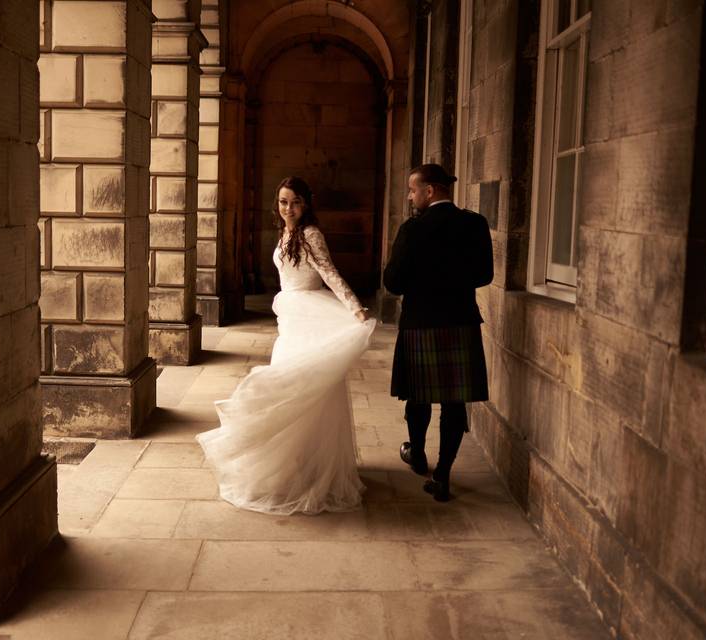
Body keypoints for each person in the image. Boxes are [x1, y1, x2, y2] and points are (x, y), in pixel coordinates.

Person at [197, 176, 376, 515]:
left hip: (310, 313)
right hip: (291, 316)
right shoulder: (286, 233)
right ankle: (293, 464)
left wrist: (354, 306)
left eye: (294, 202)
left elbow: (329, 272)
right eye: (282, 202)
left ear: (306, 203)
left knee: (301, 385)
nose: (288, 209)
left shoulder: (310, 234)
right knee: (290, 383)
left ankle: (309, 467)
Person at [383, 163, 493, 502]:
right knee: (454, 401)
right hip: (460, 321)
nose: (410, 196)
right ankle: (443, 473)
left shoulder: (413, 229)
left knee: (418, 395)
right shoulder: (475, 224)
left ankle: (417, 454)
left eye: (413, 190)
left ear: (430, 191)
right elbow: (484, 275)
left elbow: (393, 282)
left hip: (421, 322)